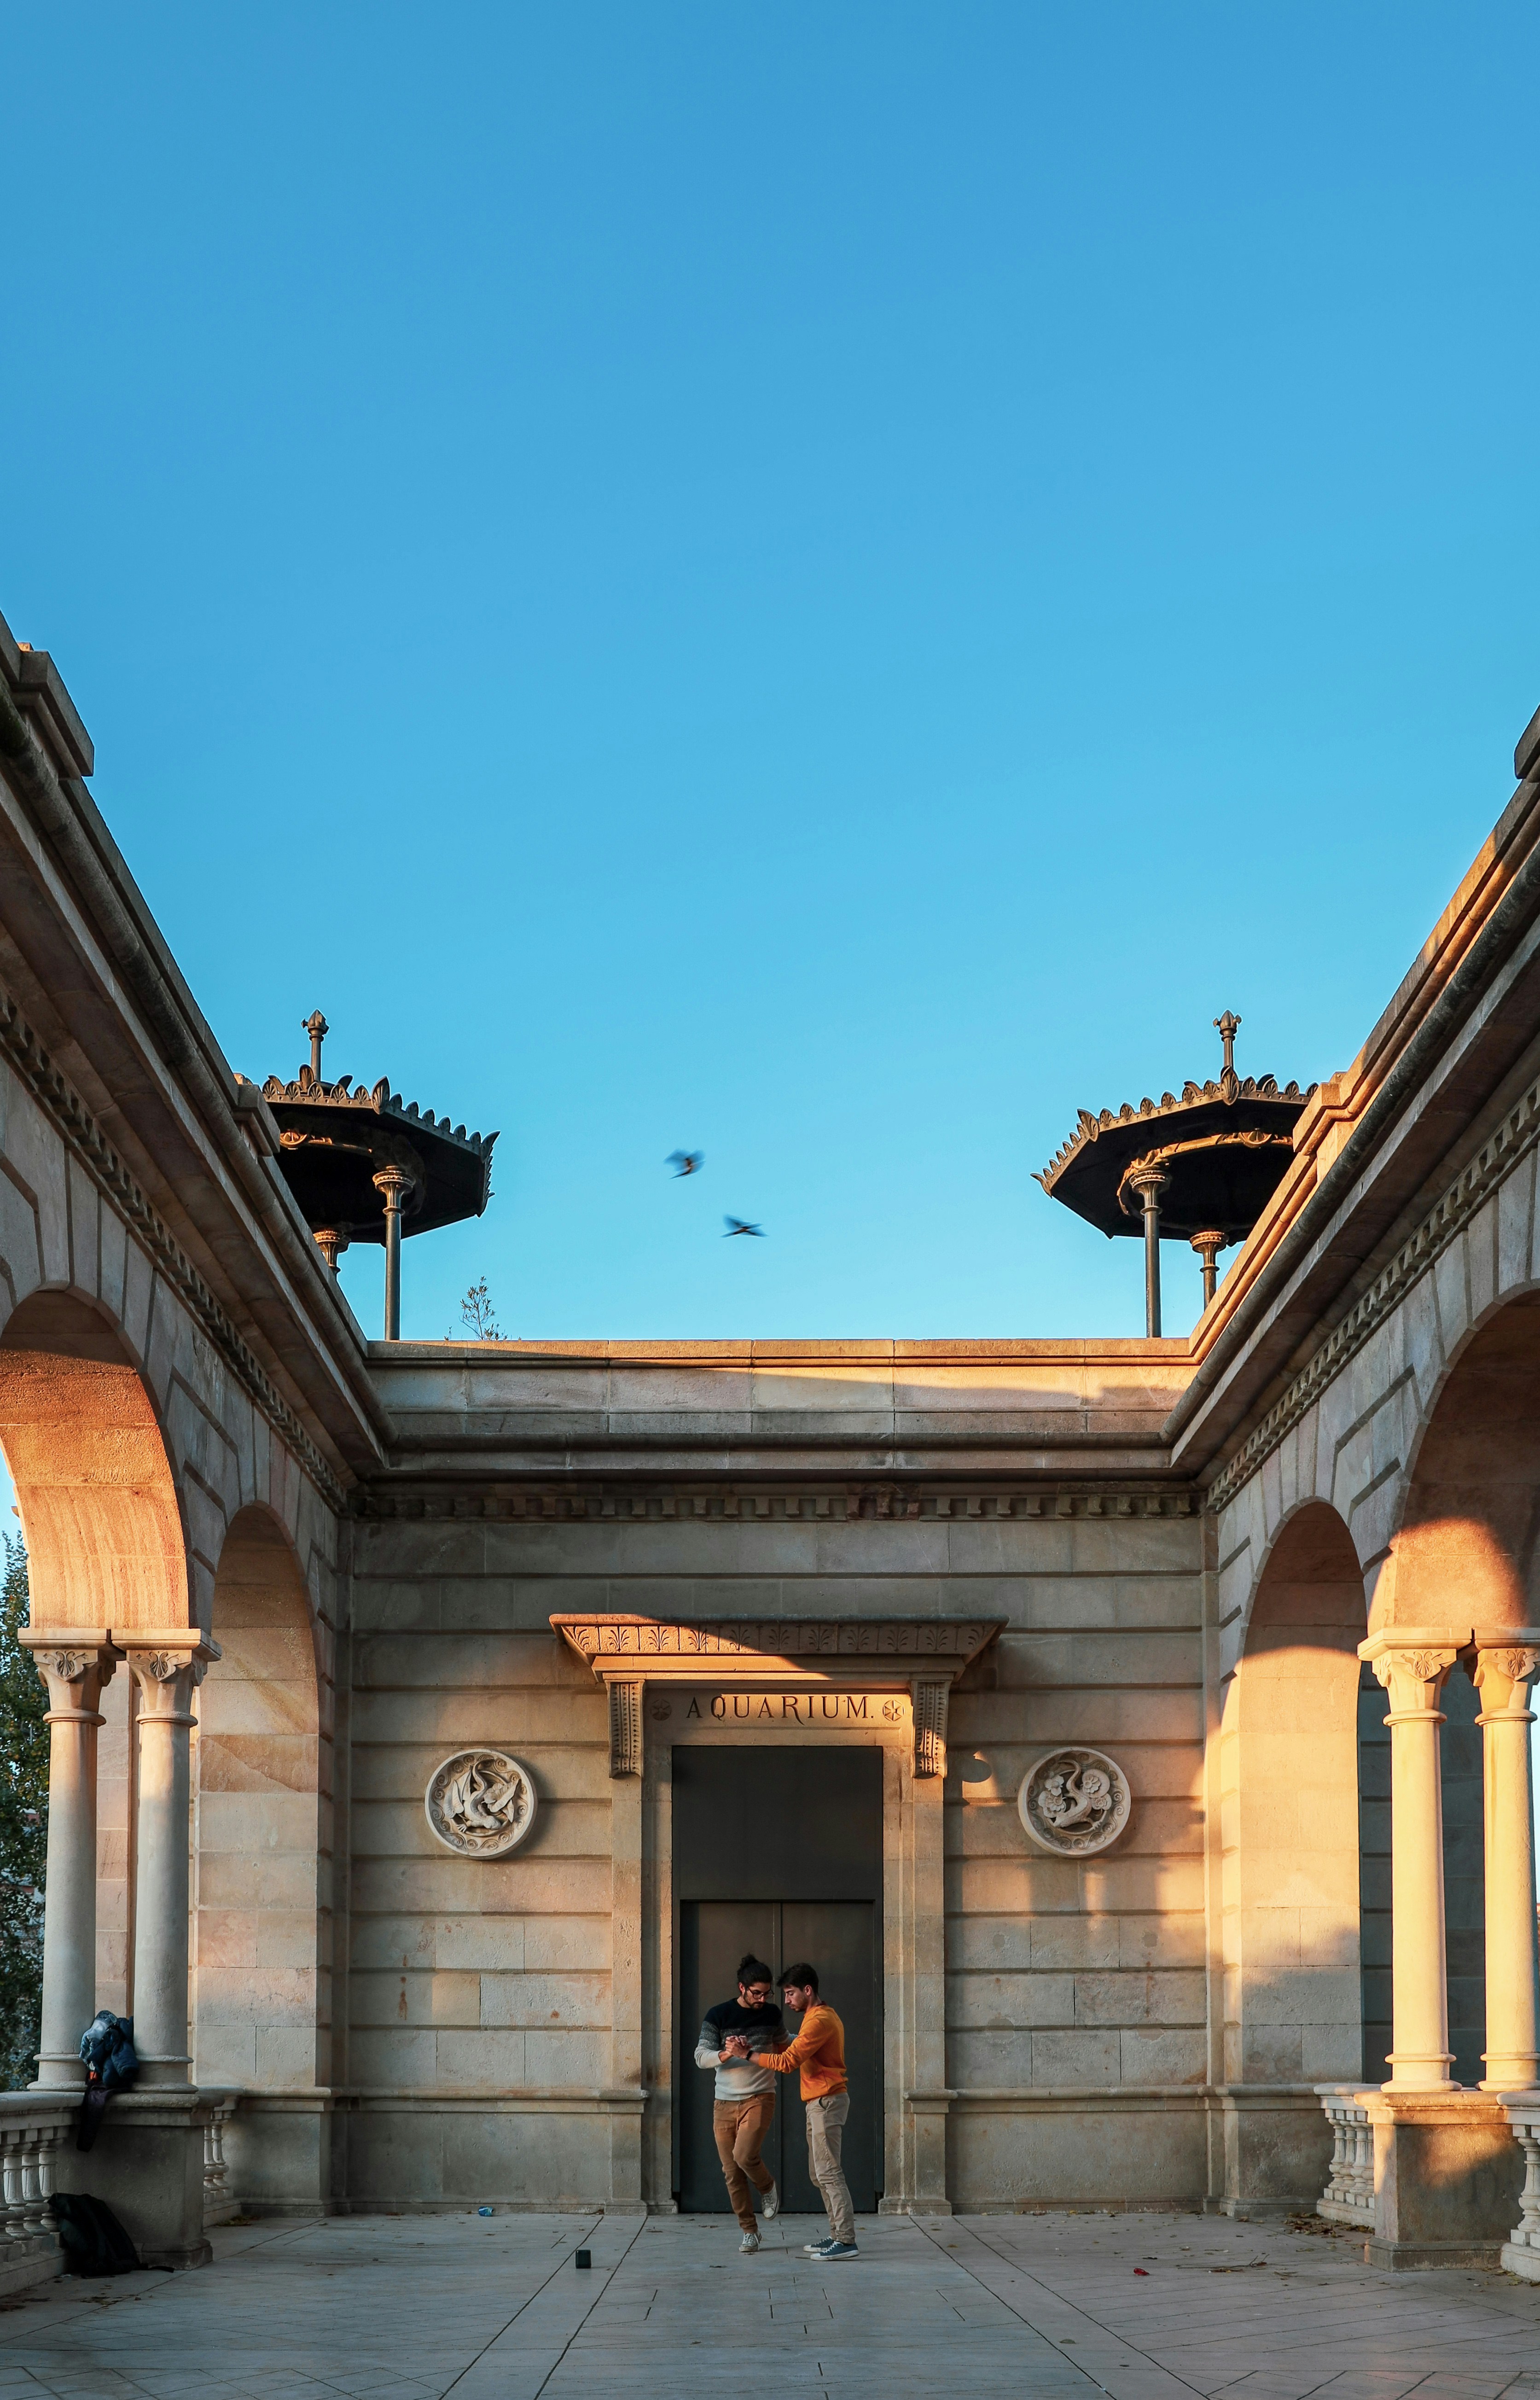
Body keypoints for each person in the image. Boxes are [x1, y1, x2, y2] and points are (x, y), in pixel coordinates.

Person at [727, 1960, 856, 2260]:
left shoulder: (818, 2020)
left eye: (789, 1993)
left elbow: (787, 2062)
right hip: (819, 2101)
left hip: (826, 2101)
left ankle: (846, 2240)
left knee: (829, 2173)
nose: (785, 2000)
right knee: (819, 2173)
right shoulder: (817, 2017)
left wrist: (746, 2053)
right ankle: (837, 2234)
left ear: (807, 1990)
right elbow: (791, 2051)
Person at [694, 1953, 785, 2252]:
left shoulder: (771, 2014)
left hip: (760, 2096)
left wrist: (815, 2038)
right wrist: (727, 2053)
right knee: (731, 2171)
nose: (762, 1998)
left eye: (767, 1992)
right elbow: (700, 2056)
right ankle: (750, 2231)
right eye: (756, 1992)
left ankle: (767, 2187)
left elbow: (785, 2042)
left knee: (745, 2156)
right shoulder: (718, 2015)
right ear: (742, 1988)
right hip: (724, 2103)